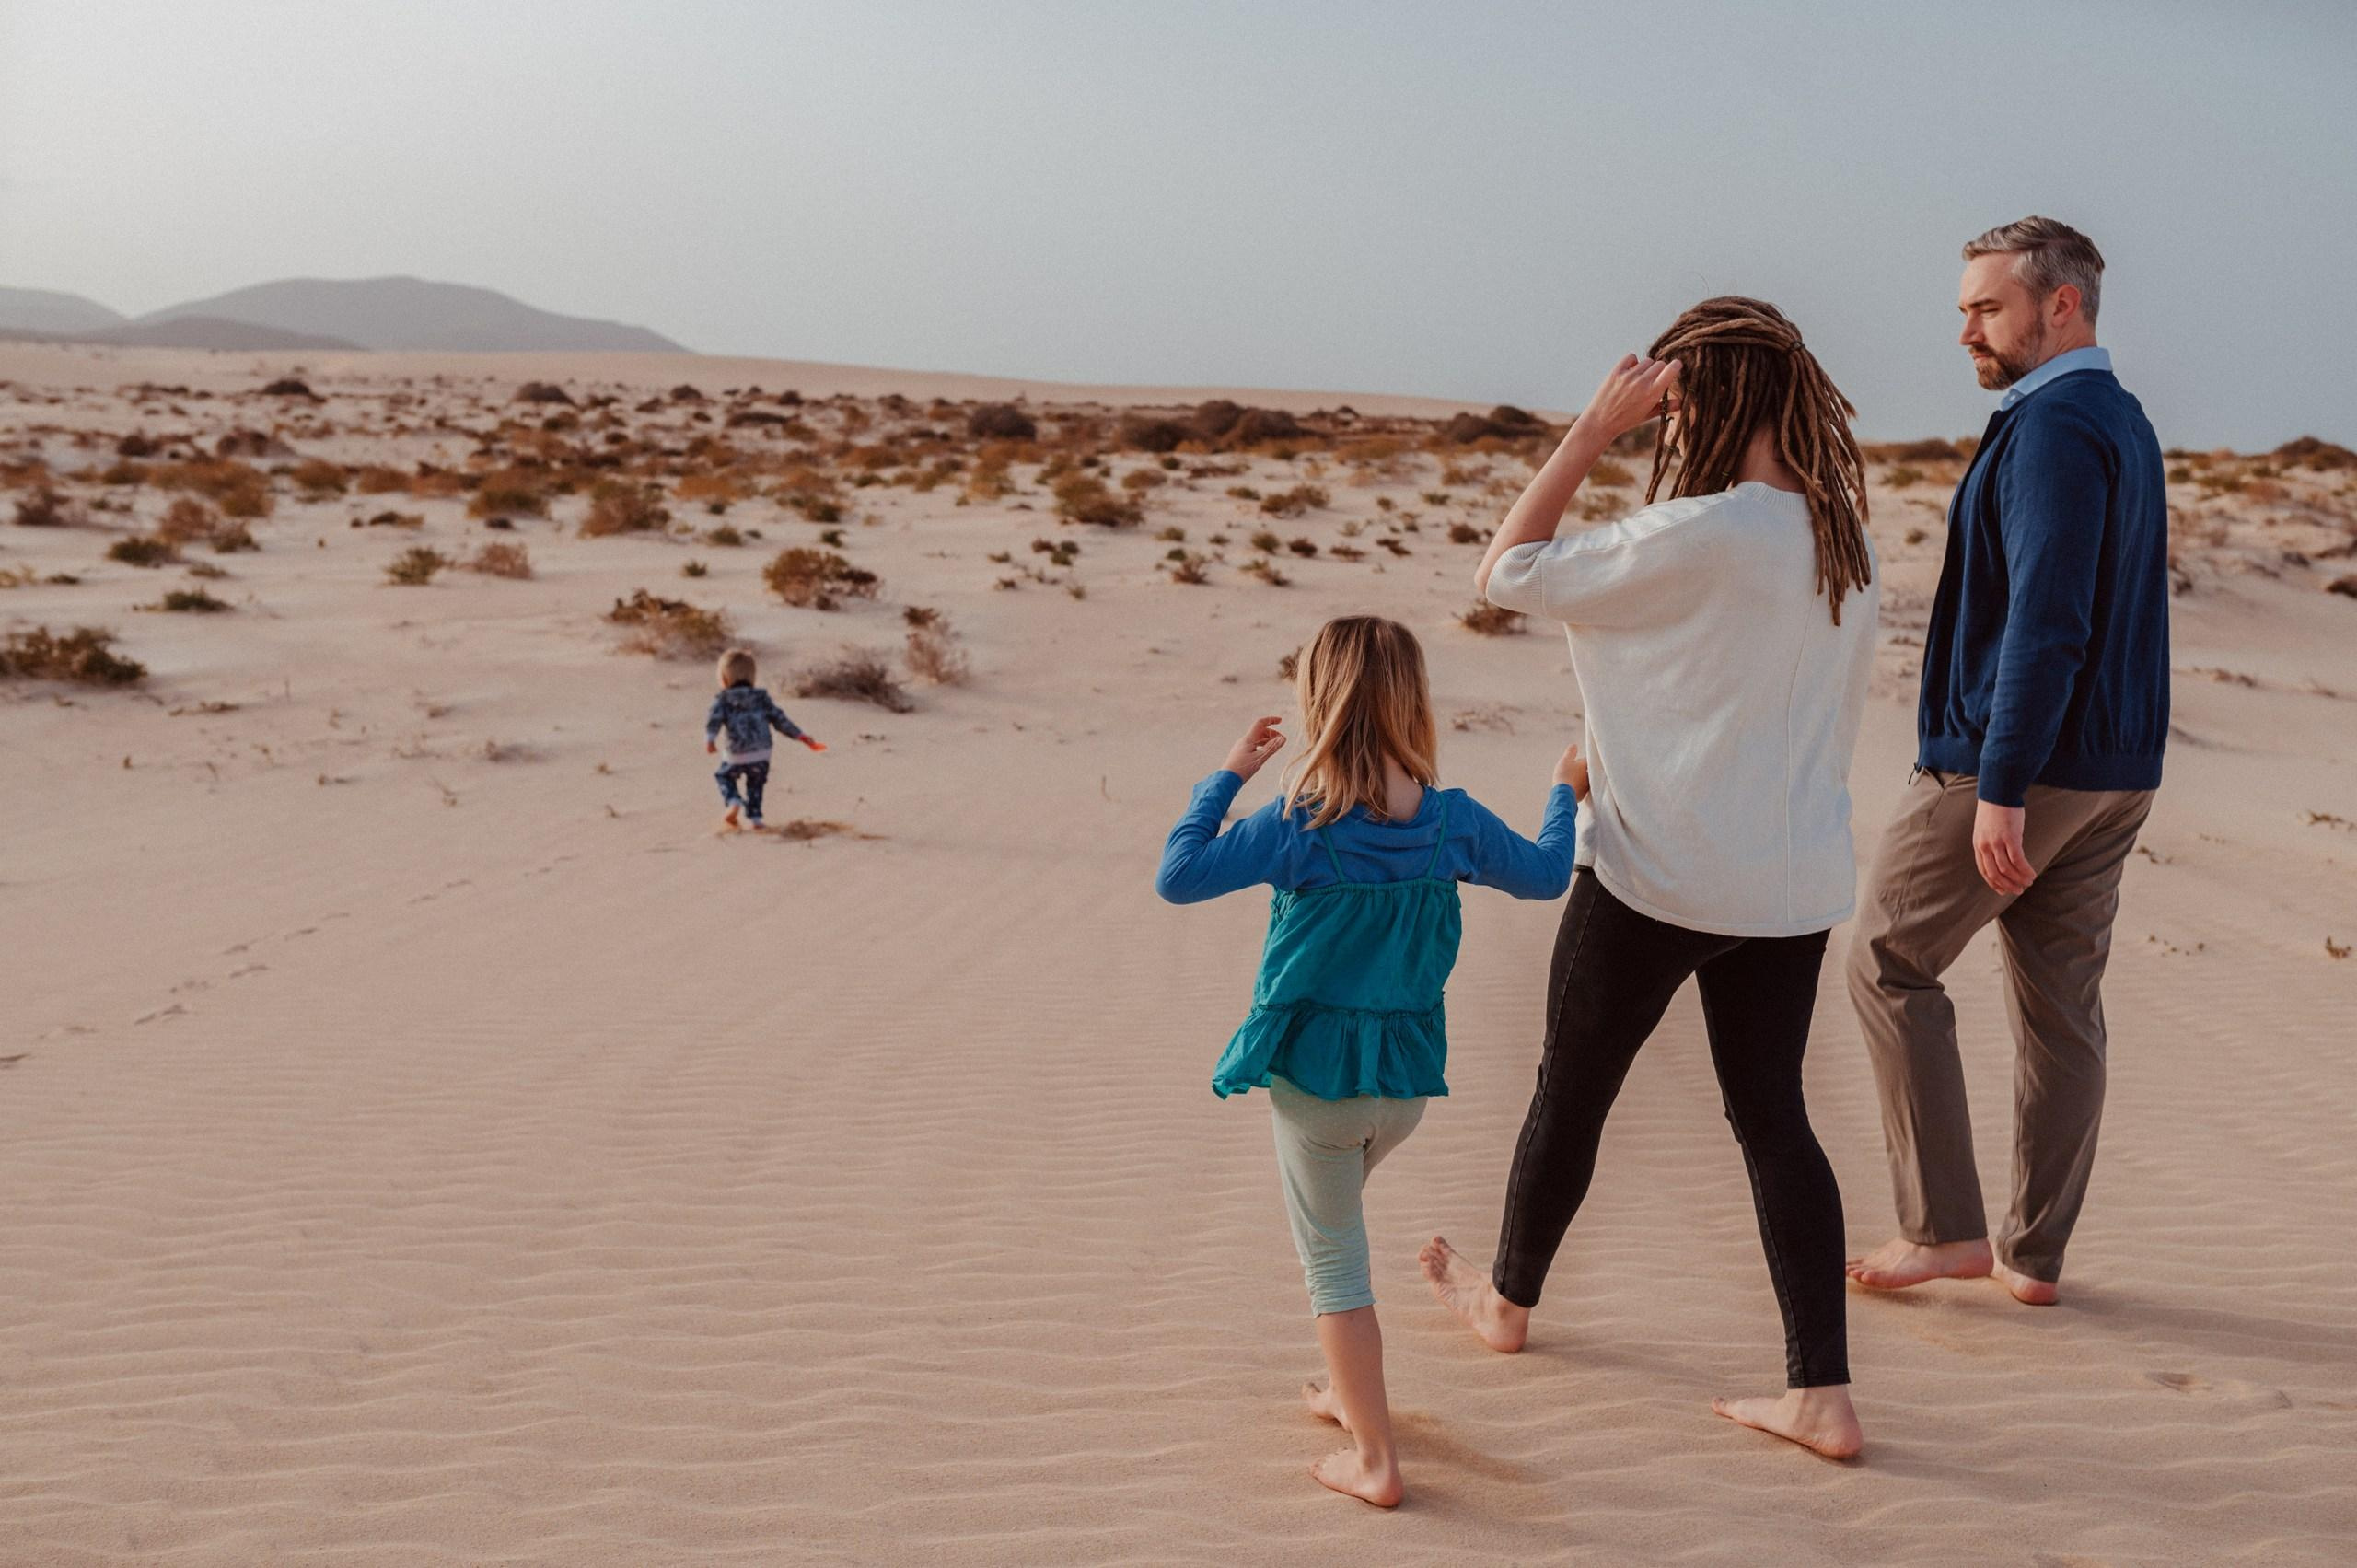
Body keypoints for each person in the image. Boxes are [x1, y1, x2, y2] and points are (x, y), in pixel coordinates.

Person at [1422, 297, 1880, 1460]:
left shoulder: (1698, 531)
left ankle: (1506, 1303)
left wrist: (1589, 432)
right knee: (1774, 1118)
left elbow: (1506, 571)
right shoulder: (1841, 539)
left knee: (1567, 1092)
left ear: (1701, 403)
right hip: (1785, 887)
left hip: (1656, 873)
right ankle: (1820, 1393)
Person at [1155, 615, 1583, 1507]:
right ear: (1409, 702)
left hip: (1316, 1086)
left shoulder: (1297, 824)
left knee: (1333, 1271)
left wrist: (1230, 770)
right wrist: (1562, 793)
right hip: (1403, 1083)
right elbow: (1548, 875)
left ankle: (1376, 1459)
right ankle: (1343, 1393)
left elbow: (1179, 872)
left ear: (1320, 700)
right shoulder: (1450, 821)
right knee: (1333, 1239)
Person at [1846, 217, 2168, 1307]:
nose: (1965, 331)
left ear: (2059, 304)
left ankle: (1942, 1229)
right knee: (2059, 1007)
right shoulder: (2117, 418)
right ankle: (2033, 1255)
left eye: (1984, 308)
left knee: (1887, 958)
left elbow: (2047, 621)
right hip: (2113, 767)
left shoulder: (2057, 427)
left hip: (2022, 763)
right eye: (1963, 310)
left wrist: (1995, 786)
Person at [703, 647, 822, 830]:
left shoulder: (724, 699)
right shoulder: (762, 698)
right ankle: (756, 818)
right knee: (756, 784)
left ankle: (733, 802)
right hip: (761, 752)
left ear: (724, 678)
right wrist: (801, 736)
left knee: (724, 776)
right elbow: (779, 719)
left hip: (736, 751)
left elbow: (714, 719)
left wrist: (710, 739)